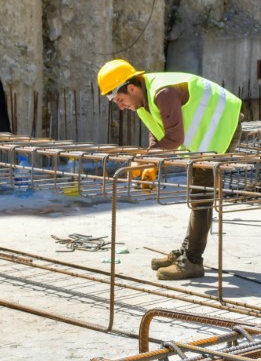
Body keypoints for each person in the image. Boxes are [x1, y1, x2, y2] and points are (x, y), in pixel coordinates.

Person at [96, 59, 243, 281]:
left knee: (200, 197)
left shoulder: (161, 92)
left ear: (132, 88)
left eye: (120, 99)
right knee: (197, 196)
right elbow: (158, 133)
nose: (120, 105)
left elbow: (174, 138)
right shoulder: (142, 102)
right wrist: (150, 162)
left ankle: (192, 261)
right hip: (207, 140)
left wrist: (144, 160)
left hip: (223, 128)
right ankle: (186, 253)